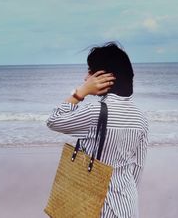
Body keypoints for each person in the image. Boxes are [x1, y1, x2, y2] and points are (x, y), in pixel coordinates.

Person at [46, 42, 149, 218]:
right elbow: (137, 166)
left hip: (96, 208)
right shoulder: (140, 116)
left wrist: (80, 93)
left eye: (90, 71)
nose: (86, 77)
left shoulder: (94, 112)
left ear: (103, 77)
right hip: (127, 206)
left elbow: (53, 120)